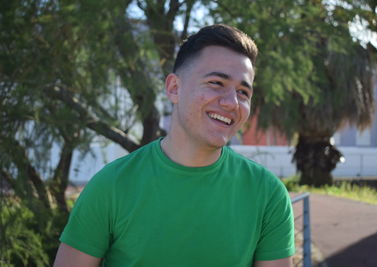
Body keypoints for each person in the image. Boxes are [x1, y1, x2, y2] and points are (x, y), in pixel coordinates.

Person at [54, 24, 295, 267]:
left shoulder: (268, 195)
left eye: (243, 92)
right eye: (216, 83)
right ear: (174, 88)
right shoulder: (111, 186)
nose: (232, 102)